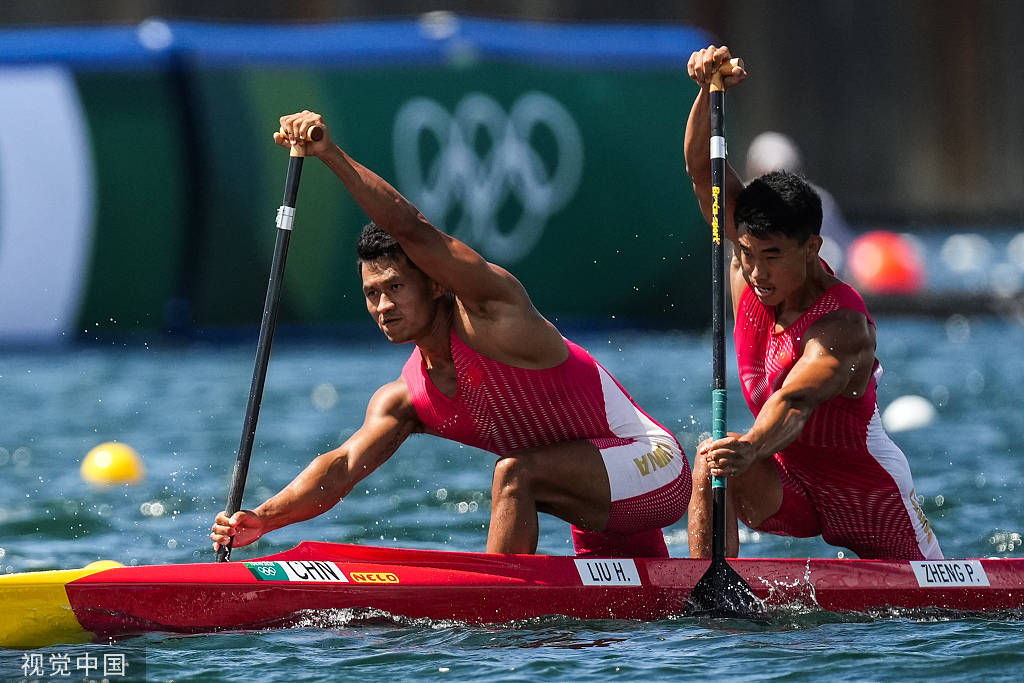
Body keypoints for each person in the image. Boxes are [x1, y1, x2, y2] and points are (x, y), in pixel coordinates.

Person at [211, 110, 691, 558]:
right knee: (619, 636)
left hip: (653, 469)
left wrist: (329, 154)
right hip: (593, 500)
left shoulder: (493, 311)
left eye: (396, 287)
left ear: (436, 281)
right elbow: (340, 469)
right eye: (372, 293)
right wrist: (261, 519)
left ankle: (494, 626)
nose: (383, 306)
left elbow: (411, 226)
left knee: (514, 474)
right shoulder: (405, 398)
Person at [682, 46, 942, 560]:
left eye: (773, 257)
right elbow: (700, 169)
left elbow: (794, 402)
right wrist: (705, 91)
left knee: (926, 622)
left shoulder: (845, 326)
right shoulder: (746, 267)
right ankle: (708, 604)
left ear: (813, 248)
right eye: (749, 254)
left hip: (868, 497)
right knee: (711, 461)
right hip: (791, 485)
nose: (757, 272)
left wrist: (751, 446)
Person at [745, 131, 856, 273]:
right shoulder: (739, 202)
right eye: (766, 174)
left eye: (783, 173)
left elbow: (845, 252)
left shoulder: (817, 201)